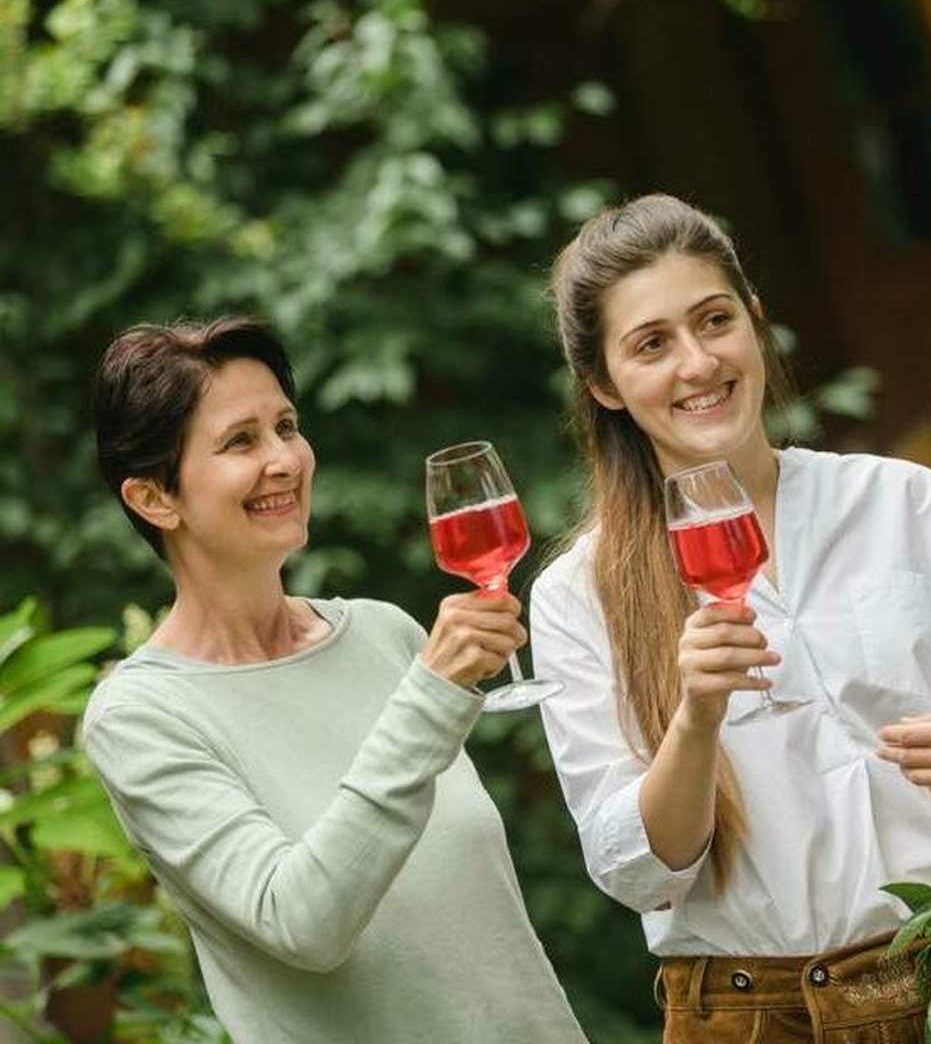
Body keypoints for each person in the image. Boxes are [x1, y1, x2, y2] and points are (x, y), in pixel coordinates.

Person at [530, 193, 931, 1043]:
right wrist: (696, 717)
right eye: (652, 345)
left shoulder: (902, 500)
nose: (697, 363)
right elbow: (635, 870)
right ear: (604, 385)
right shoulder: (580, 592)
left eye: (714, 320)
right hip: (759, 1017)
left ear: (756, 325)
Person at [83, 318, 586, 1043]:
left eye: (286, 427)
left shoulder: (385, 635)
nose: (284, 459)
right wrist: (432, 696)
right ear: (155, 499)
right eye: (240, 442)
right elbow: (303, 923)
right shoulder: (141, 715)